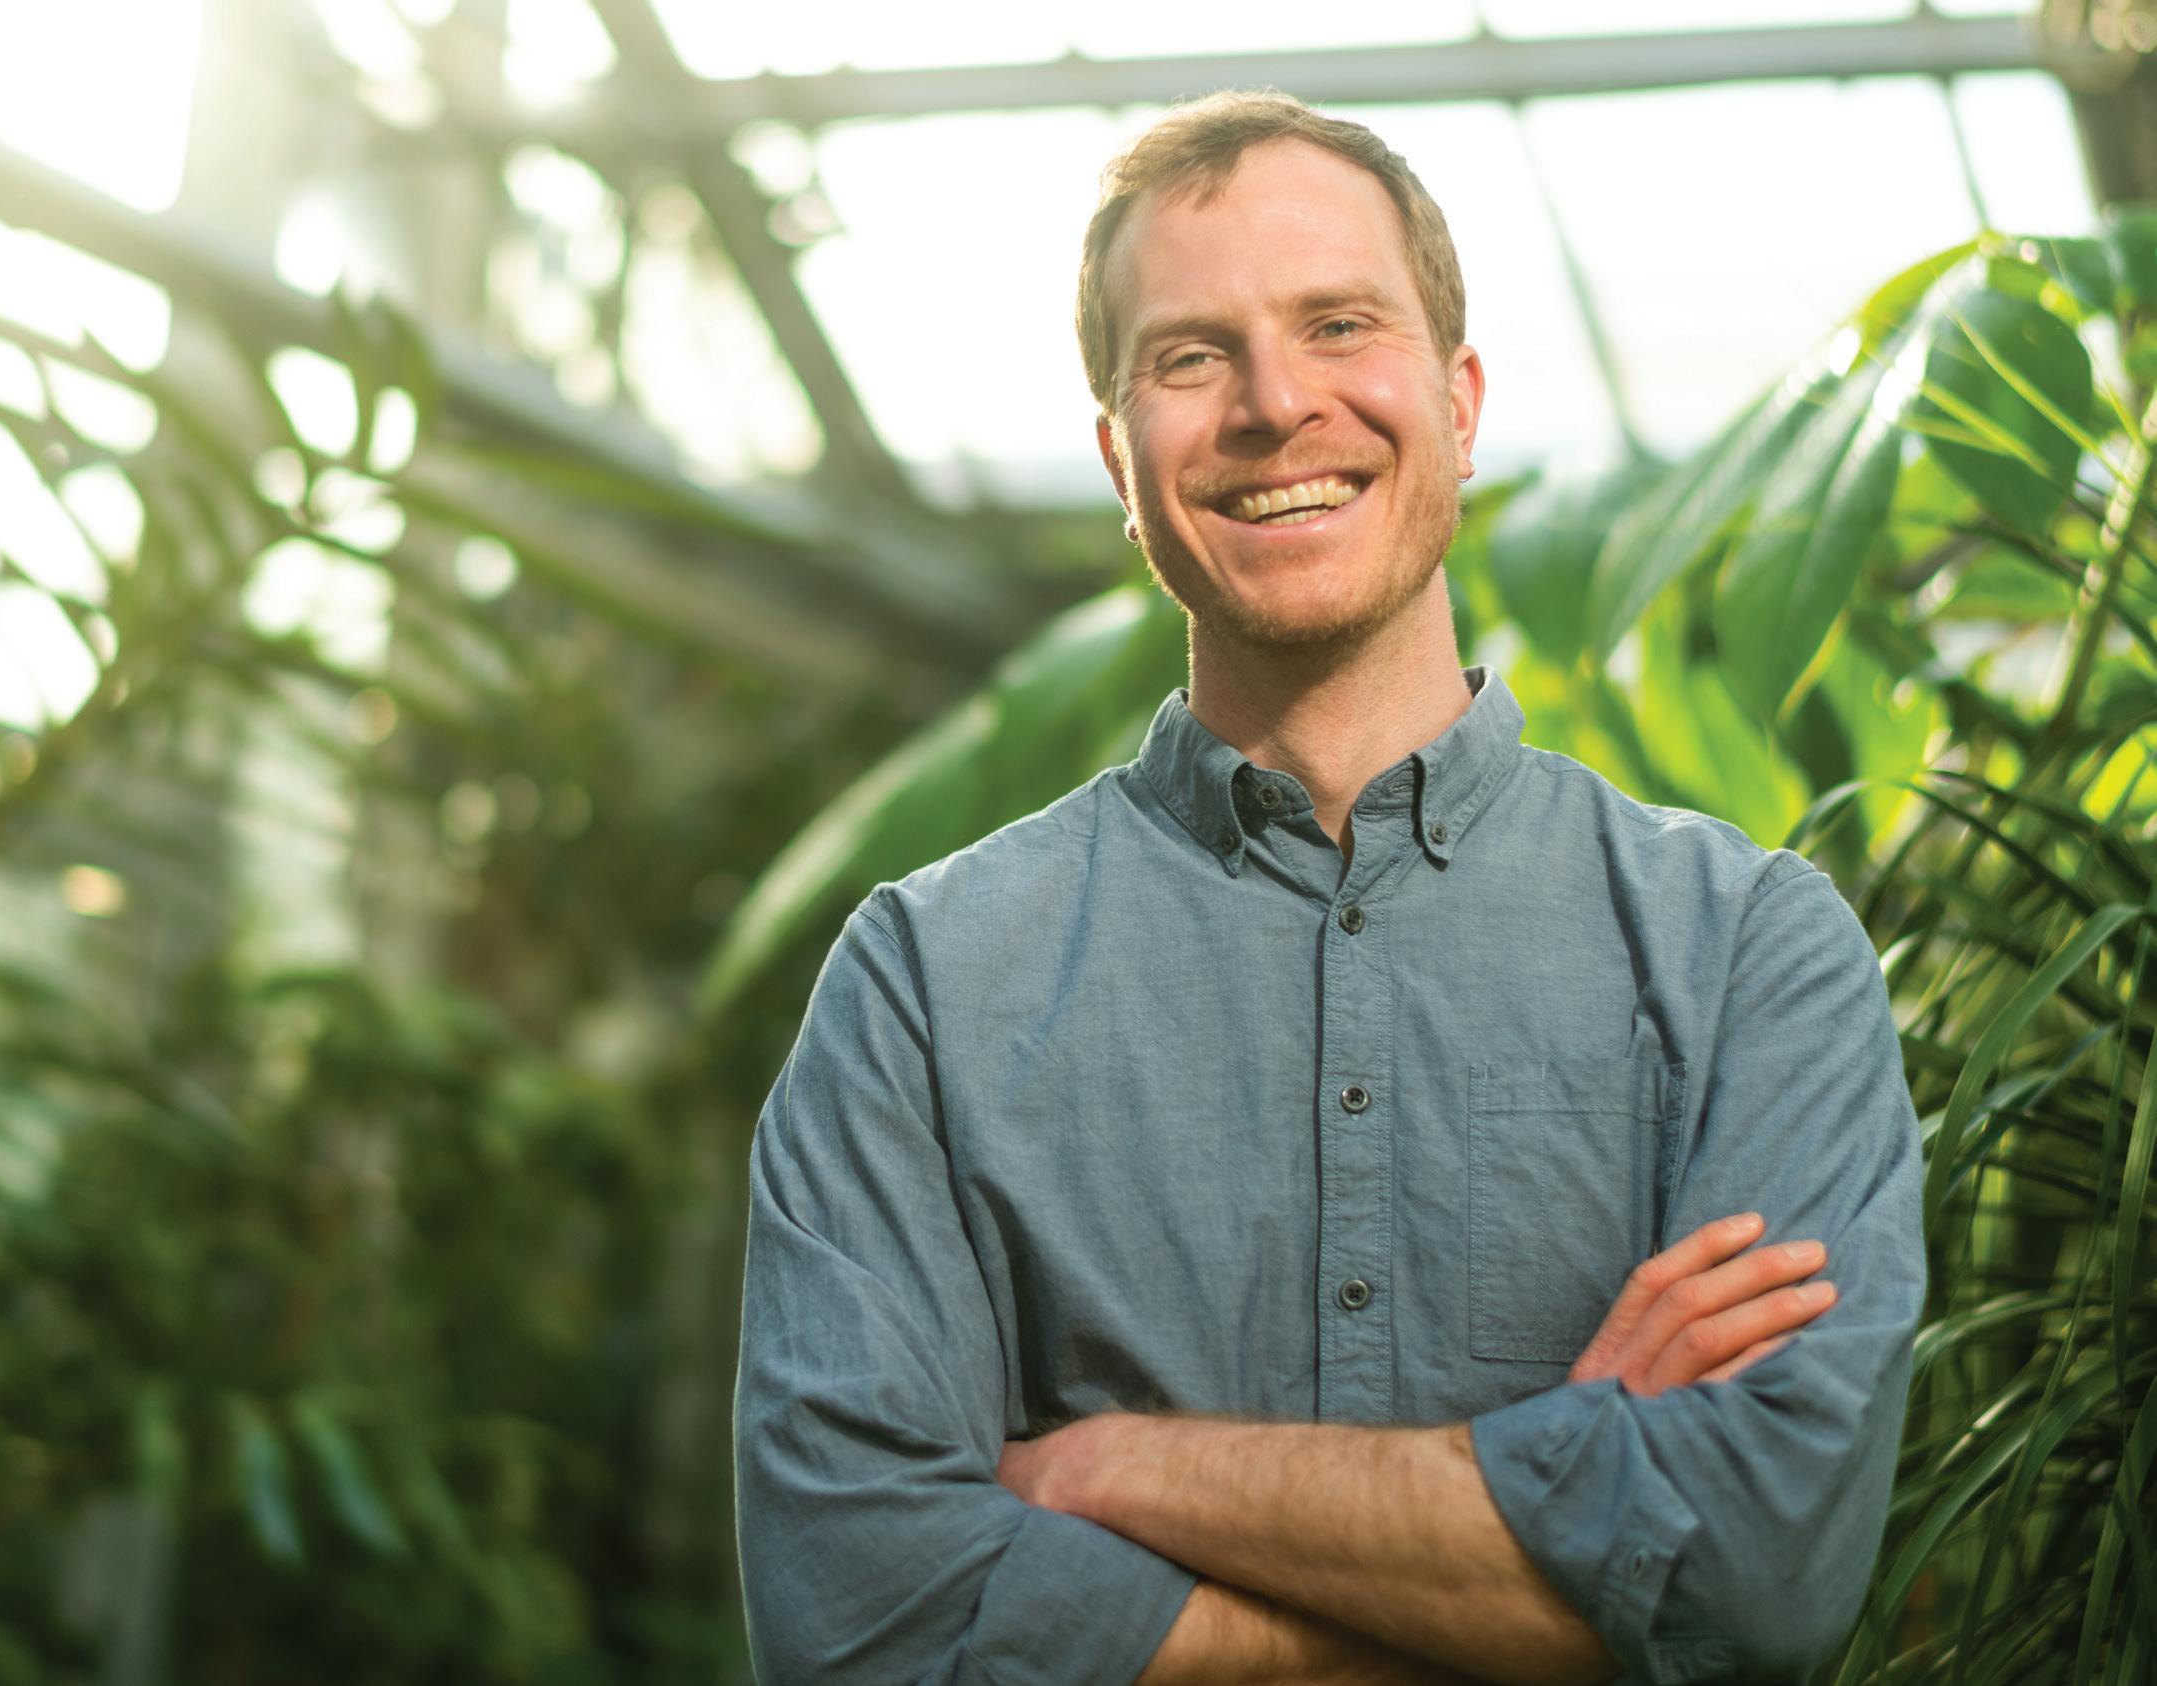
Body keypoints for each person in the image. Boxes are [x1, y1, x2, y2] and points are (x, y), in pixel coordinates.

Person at [731, 89, 1923, 1686]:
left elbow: (1758, 1576)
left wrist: (1113, 1470)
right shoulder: (925, 991)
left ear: (1461, 394)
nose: (1276, 404)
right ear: (1118, 454)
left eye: (1339, 323)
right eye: (1189, 355)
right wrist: (1552, 1543)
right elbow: (866, 1621)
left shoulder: (1753, 956)